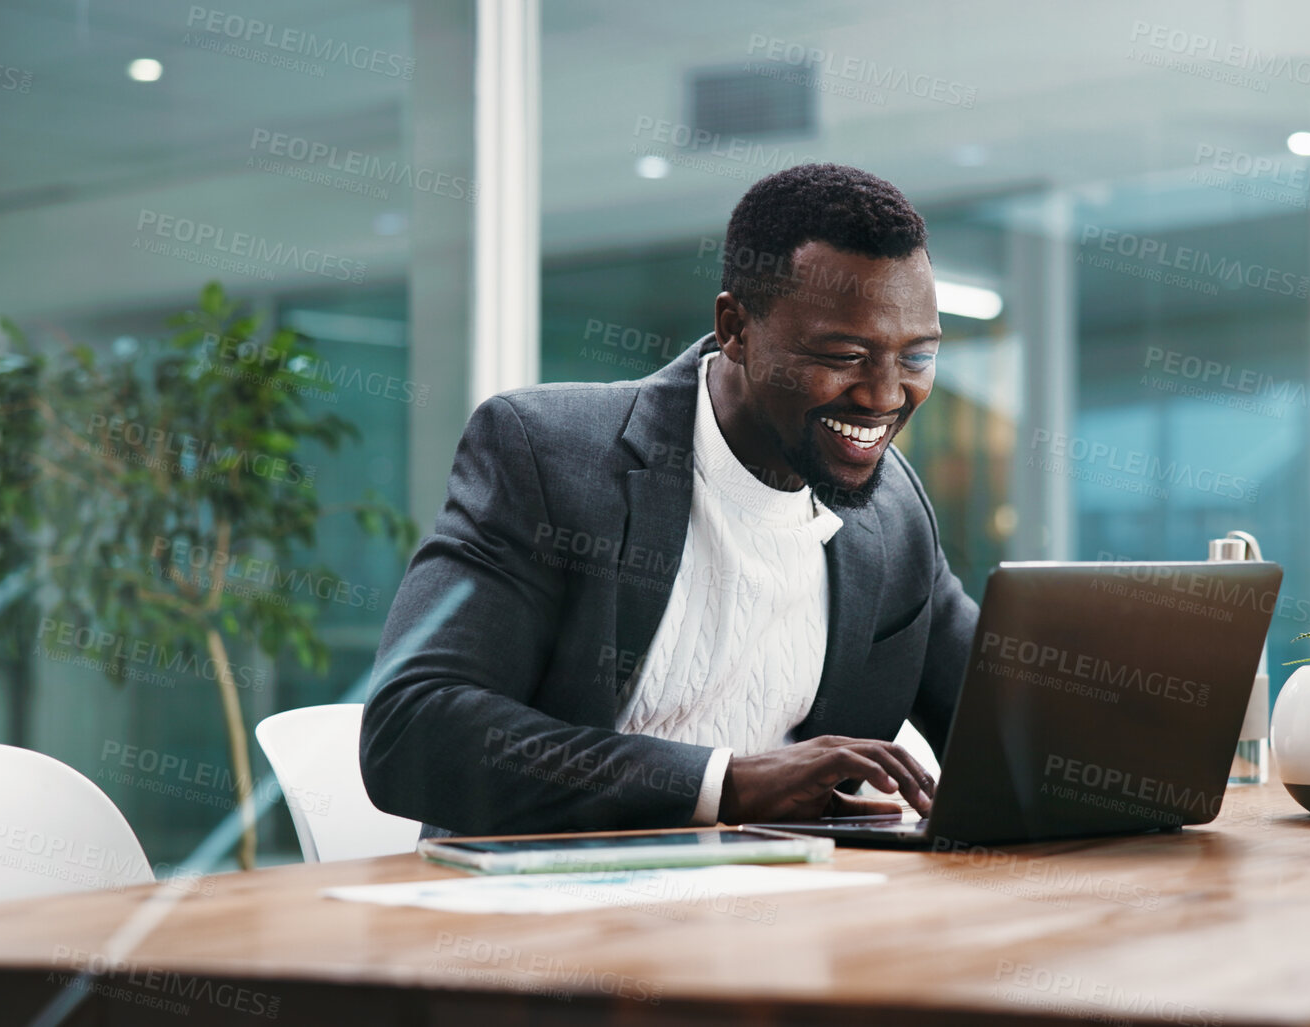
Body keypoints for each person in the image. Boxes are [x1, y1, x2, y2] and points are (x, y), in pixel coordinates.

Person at [361, 163, 980, 838]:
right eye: (844, 355)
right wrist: (727, 784)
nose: (885, 395)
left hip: (791, 894)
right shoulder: (548, 454)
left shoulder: (893, 511)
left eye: (916, 358)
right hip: (551, 894)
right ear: (735, 328)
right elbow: (410, 730)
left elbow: (1006, 727)